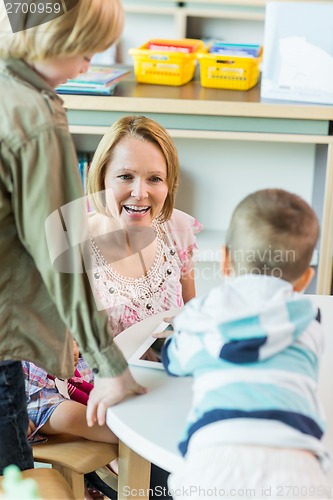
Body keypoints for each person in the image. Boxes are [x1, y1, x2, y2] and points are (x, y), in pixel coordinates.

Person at [0, 0, 145, 475]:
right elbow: (59, 255)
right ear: (56, 36)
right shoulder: (35, 120)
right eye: (87, 51)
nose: (88, 66)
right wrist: (110, 365)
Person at [162, 189, 332, 499]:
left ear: (225, 260)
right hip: (300, 463)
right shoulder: (310, 319)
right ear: (305, 279)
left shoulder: (204, 313)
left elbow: (173, 361)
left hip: (215, 455)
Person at [87, 115, 203, 335]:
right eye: (125, 176)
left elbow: (191, 321)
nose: (140, 193)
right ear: (102, 177)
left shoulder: (178, 229)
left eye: (155, 179)